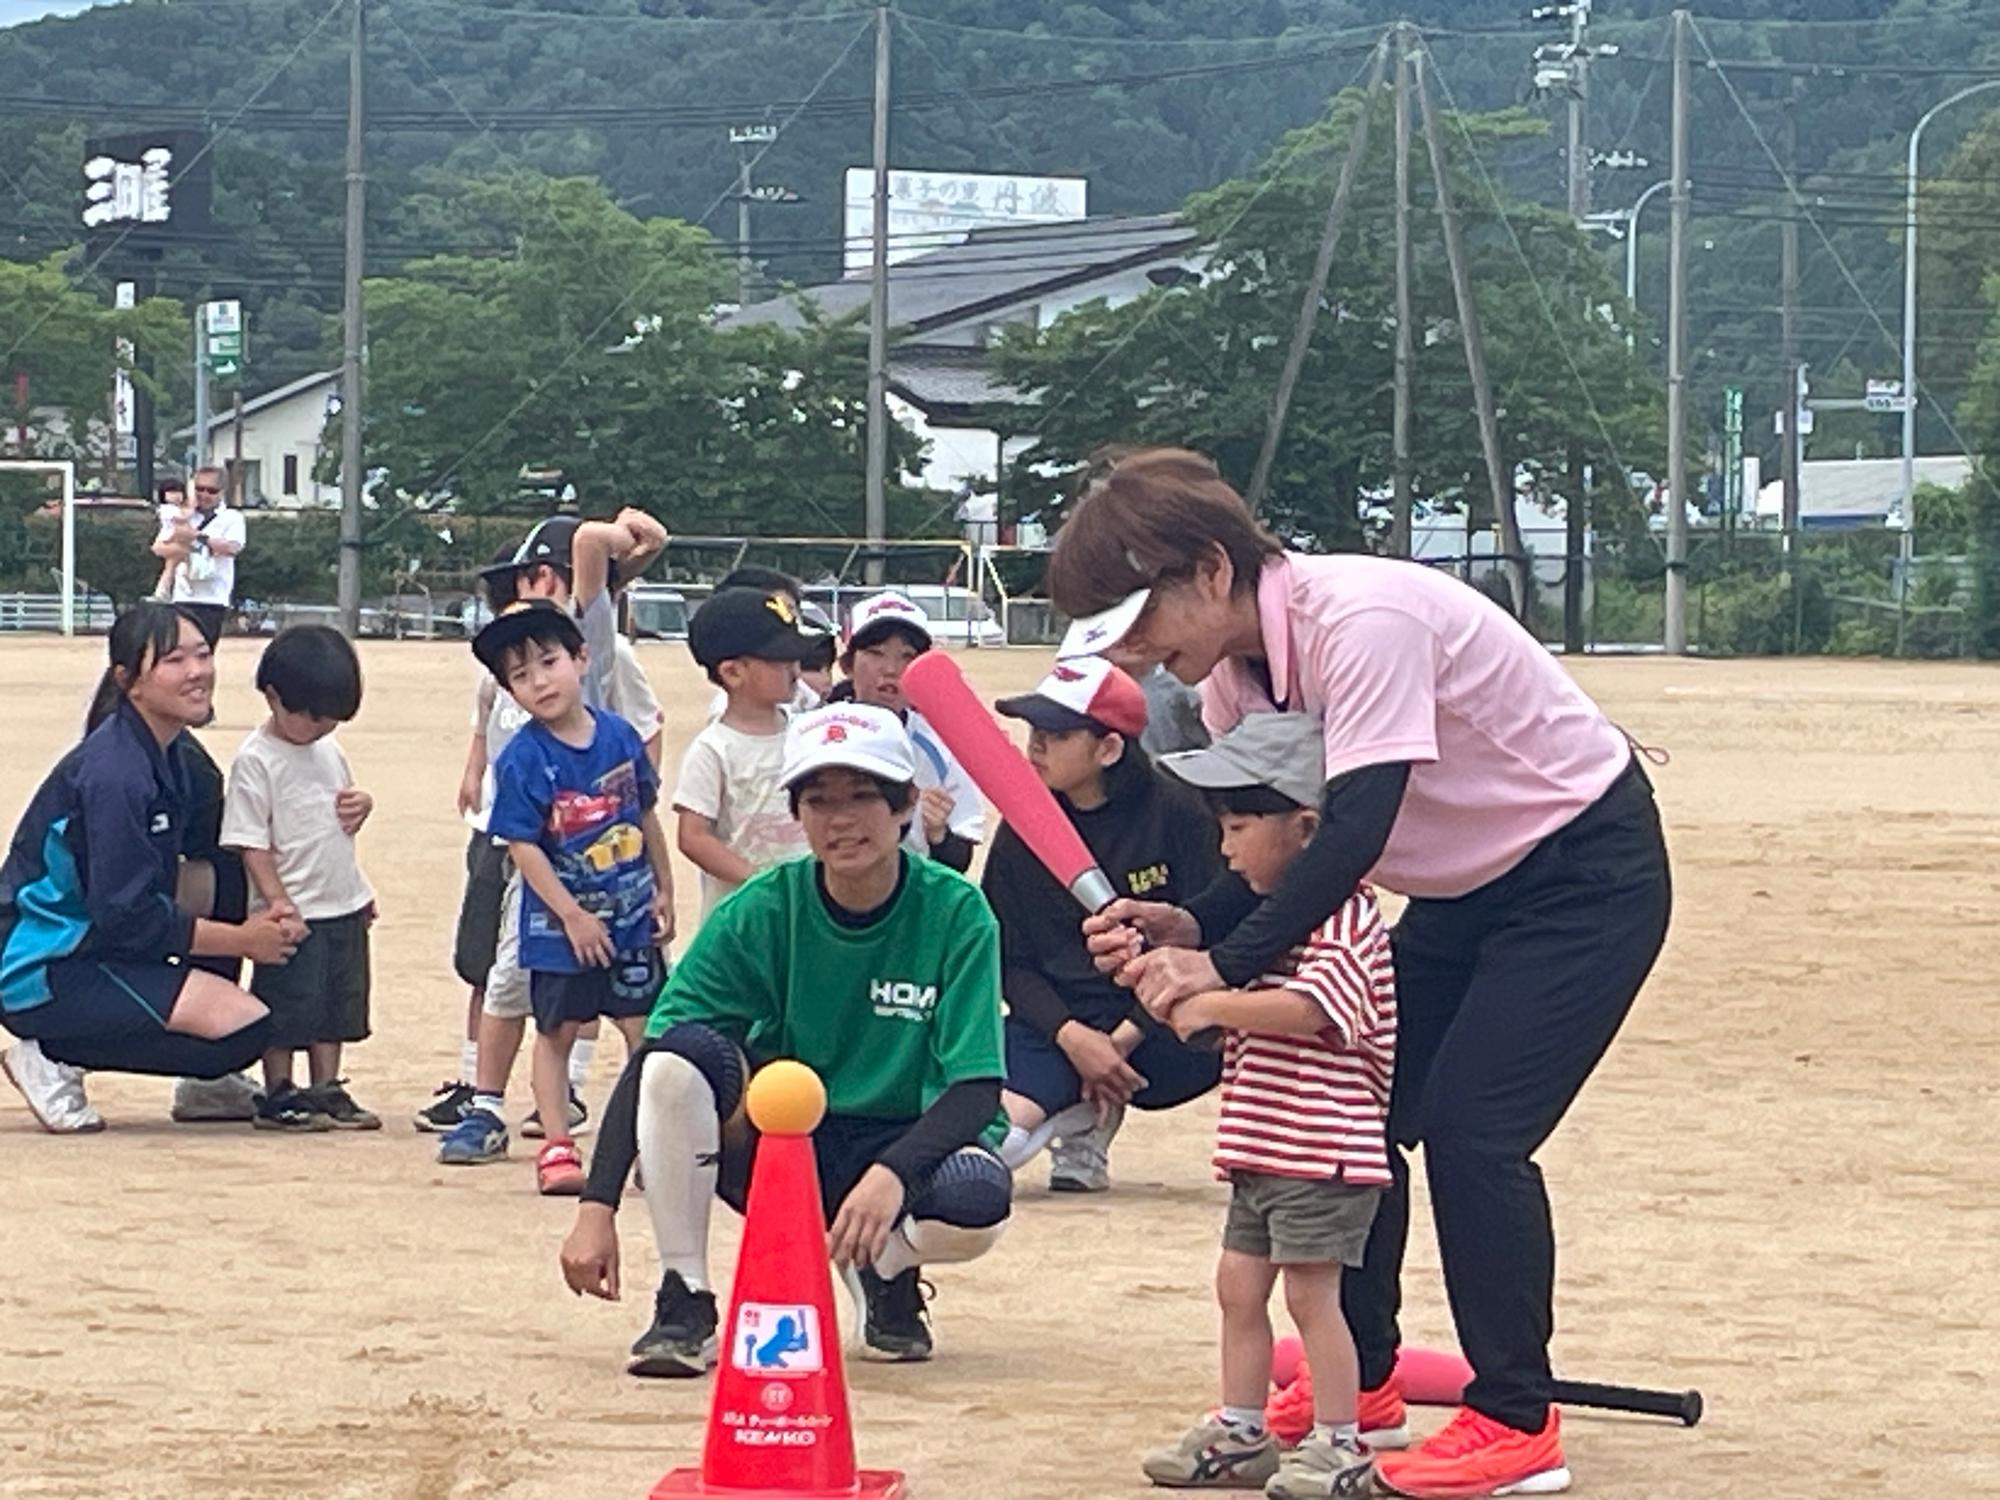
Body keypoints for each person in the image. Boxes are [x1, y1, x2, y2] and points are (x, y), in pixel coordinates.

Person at [1055, 449, 1672, 1500]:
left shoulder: (1363, 619)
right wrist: (1179, 922)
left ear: (1210, 570)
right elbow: (1278, 855)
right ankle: (1365, 1375)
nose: (1140, 659)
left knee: (1476, 1133)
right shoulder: (1232, 682)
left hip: (1581, 874)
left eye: (1141, 626)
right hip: (1461, 892)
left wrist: (1215, 967)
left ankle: (1515, 1420)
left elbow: (1353, 831)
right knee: (1358, 1115)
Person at [557, 704, 1011, 1376]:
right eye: (819, 801)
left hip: (899, 1145)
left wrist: (891, 1176)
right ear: (797, 814)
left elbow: (977, 1088)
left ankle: (883, 1267)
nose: (841, 820)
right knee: (681, 1059)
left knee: (979, 1198)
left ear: (906, 807)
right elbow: (657, 1056)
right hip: (781, 1149)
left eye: (864, 796)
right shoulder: (763, 908)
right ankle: (685, 1297)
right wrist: (596, 1208)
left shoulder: (956, 911)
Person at [1136, 715, 1398, 1500]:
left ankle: (1341, 1442)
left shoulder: (1349, 919)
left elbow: (1311, 1010)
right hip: (1261, 1147)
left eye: (1242, 826)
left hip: (1325, 1152)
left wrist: (1211, 1002)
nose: (1226, 849)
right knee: (1237, 1289)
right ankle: (1243, 1431)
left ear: (1307, 827)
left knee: (1311, 1295)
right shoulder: (1258, 920)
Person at [0, 603, 297, 1131]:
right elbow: (126, 915)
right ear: (128, 680)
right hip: (43, 967)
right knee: (243, 1032)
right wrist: (244, 942)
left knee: (224, 873)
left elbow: (227, 851)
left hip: (100, 937)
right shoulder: (115, 773)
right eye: (173, 660)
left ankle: (204, 1086)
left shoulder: (179, 757)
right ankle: (49, 1054)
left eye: (203, 655)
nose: (197, 671)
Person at [420, 510, 667, 1145]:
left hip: (613, 876)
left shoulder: (596, 647)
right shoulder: (523, 667)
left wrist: (634, 546)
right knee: (513, 986)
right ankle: (488, 1102)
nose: (534, 676)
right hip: (542, 872)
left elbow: (593, 543)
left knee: (628, 1010)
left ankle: (620, 1124)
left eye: (540, 575)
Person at [984, 658, 1223, 1193]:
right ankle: (1077, 1113)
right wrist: (1073, 1039)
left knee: (1221, 1023)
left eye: (1058, 734)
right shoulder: (1026, 825)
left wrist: (1118, 1041)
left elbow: (1214, 937)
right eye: (1034, 731)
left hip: (1161, 1029)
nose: (1036, 746)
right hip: (1055, 1023)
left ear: (1109, 749)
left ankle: (1091, 1109)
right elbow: (1008, 958)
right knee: (993, 1146)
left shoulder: (1179, 810)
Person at [471, 599, 674, 1195]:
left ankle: (644, 1142)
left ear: (582, 659)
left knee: (645, 1033)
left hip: (633, 919)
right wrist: (572, 915)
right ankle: (558, 1145)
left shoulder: (618, 736)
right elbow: (524, 846)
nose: (539, 681)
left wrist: (663, 887)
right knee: (556, 1034)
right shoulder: (524, 758)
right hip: (561, 932)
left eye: (549, 662)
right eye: (521, 675)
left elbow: (644, 813)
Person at [219, 625, 381, 1132]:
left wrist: (362, 807)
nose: (319, 727)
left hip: (340, 899)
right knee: (287, 1004)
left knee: (337, 1002)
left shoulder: (327, 749)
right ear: (273, 696)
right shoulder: (256, 761)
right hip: (293, 908)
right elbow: (251, 841)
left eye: (331, 719)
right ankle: (280, 1088)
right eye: (311, 717)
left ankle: (326, 1085)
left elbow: (336, 818)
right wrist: (275, 901)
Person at [674, 588, 817, 922]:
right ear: (733, 672)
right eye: (779, 661)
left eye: (795, 659)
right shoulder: (713, 749)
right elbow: (693, 837)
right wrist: (760, 882)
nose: (795, 670)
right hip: (744, 913)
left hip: (809, 903)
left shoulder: (807, 734)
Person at [834, 591, 984, 870]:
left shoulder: (940, 746)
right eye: (876, 653)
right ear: (847, 664)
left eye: (907, 656)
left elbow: (959, 859)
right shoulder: (818, 736)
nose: (891, 669)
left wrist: (938, 833)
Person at [150, 465, 246, 646]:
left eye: (211, 490)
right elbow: (158, 547)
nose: (204, 495)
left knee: (203, 649)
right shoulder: (184, 516)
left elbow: (232, 547)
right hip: (183, 596)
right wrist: (182, 550)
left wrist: (197, 538)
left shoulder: (232, 518)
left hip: (213, 597)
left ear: (222, 492)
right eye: (199, 489)